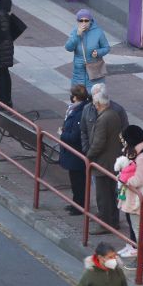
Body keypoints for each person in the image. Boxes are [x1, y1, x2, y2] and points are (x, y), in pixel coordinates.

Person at [87, 84, 128, 228]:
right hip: (112, 161)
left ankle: (105, 223)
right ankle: (113, 220)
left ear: (98, 103)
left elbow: (98, 143)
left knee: (103, 196)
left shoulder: (103, 119)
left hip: (103, 162)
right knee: (112, 194)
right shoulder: (114, 114)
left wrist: (88, 156)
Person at [116, 125, 143, 260]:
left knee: (139, 230)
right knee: (140, 228)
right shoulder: (137, 153)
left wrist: (124, 179)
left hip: (138, 198)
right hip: (134, 197)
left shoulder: (142, 157)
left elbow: (139, 179)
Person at [58, 85, 92, 214]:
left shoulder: (79, 113)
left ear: (75, 97)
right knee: (75, 180)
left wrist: (62, 134)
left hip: (76, 153)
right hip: (73, 154)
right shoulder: (76, 109)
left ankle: (80, 206)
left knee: (79, 181)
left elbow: (74, 136)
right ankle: (76, 203)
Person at [66, 10, 110, 87]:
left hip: (94, 72)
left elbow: (106, 48)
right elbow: (68, 48)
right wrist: (77, 36)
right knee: (79, 96)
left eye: (86, 20)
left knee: (94, 96)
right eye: (81, 20)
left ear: (90, 21)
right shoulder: (75, 32)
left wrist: (98, 52)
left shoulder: (98, 32)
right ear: (77, 21)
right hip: (79, 73)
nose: (84, 23)